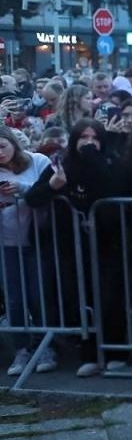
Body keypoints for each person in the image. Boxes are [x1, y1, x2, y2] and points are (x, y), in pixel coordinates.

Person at [1, 126, 52, 375]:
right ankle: (21, 350)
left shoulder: (38, 161)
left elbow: (50, 189)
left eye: (2, 146)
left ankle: (46, 346)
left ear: (13, 143)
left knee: (38, 294)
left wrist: (22, 189)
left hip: (38, 238)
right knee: (14, 298)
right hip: (8, 242)